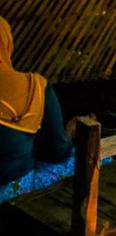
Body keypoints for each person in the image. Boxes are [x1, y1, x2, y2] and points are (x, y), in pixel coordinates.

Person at [0, 17, 74, 202]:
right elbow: (56, 152)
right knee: (100, 160)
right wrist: (69, 133)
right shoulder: (34, 88)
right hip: (11, 193)